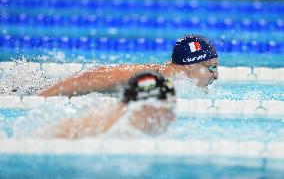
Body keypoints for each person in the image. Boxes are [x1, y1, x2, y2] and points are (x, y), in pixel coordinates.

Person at [39, 34, 218, 97]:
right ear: (190, 66)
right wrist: (41, 98)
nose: (216, 75)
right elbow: (92, 78)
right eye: (211, 67)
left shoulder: (175, 81)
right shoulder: (154, 76)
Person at [42, 71, 176, 139]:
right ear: (147, 107)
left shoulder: (111, 123)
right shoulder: (100, 131)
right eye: (169, 108)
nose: (172, 117)